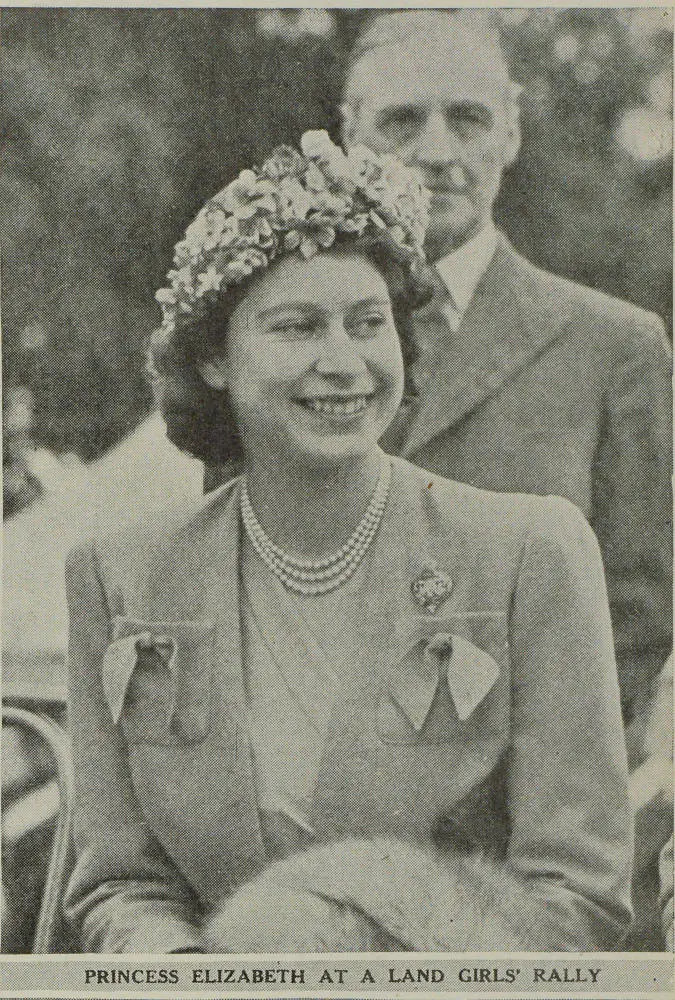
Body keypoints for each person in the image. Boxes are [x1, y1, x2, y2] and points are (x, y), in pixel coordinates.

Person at [64, 132, 632, 953]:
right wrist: (183, 969)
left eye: (367, 324)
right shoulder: (116, 574)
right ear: (214, 360)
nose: (344, 362)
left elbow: (574, 893)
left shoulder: (528, 552)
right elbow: (121, 884)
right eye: (296, 328)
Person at [340, 10, 672, 759]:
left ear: (510, 134)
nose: (436, 151)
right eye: (400, 122)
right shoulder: (276, 338)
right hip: (302, 813)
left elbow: (635, 627)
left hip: (513, 828)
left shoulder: (613, 347)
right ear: (349, 133)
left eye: (467, 119)